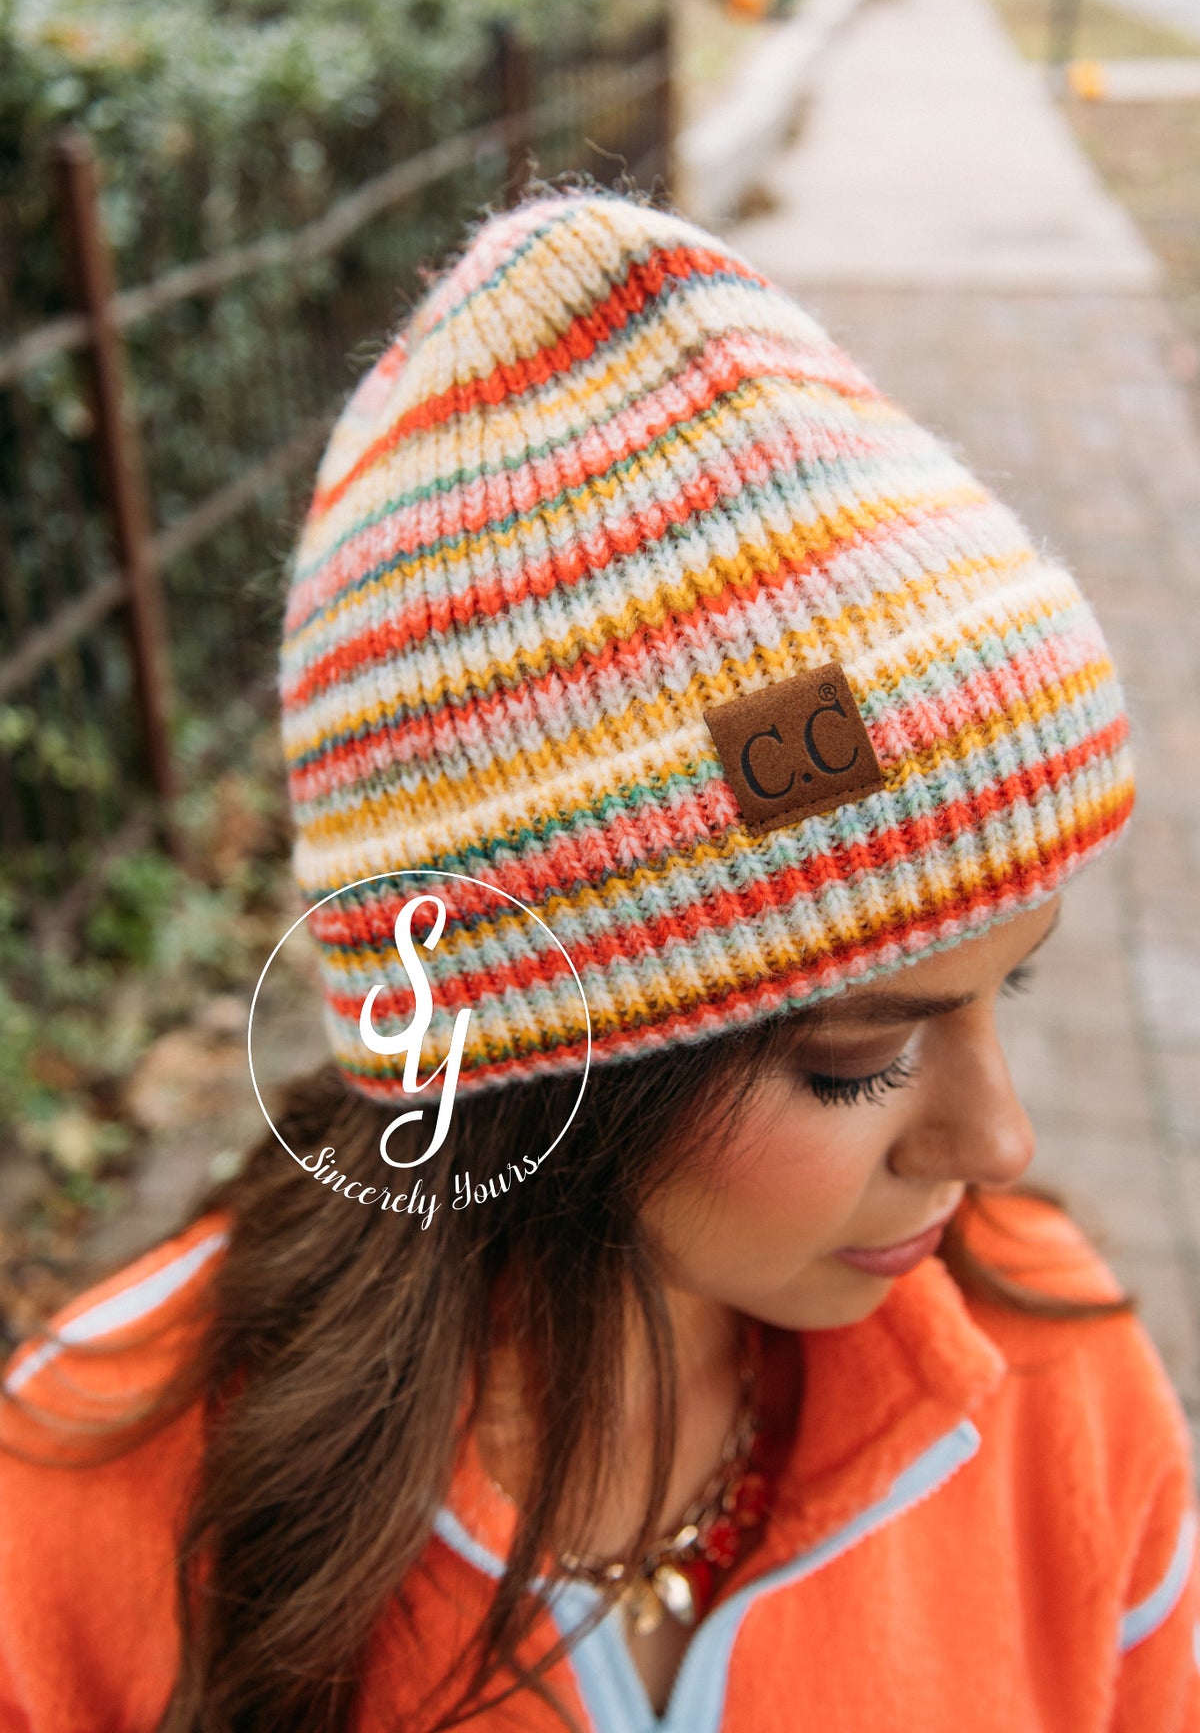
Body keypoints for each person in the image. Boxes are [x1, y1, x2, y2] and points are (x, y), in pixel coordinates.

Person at [0, 185, 1196, 1733]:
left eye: (1004, 989)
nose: (999, 1143)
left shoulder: (1057, 1386)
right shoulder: (76, 1511)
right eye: (856, 1060)